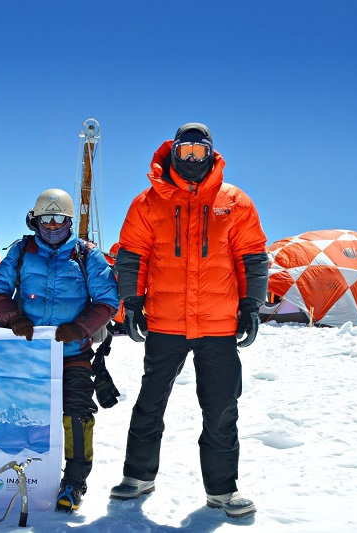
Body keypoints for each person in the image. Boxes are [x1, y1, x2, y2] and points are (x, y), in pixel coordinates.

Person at [109, 123, 268, 519]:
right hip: (165, 321)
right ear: (174, 152)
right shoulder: (148, 202)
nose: (193, 159)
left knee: (221, 408)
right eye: (186, 151)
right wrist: (132, 303)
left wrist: (251, 305)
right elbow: (132, 256)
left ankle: (222, 491)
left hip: (218, 325)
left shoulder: (235, 201)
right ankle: (137, 477)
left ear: (211, 154)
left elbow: (252, 257)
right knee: (150, 402)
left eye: (200, 152)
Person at [0, 188, 119, 512]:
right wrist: (13, 317)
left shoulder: (86, 255)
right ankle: (15, 476)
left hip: (72, 353)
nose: (52, 225)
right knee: (17, 414)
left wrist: (81, 328)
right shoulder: (21, 251)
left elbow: (107, 300)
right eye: (46, 218)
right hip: (29, 353)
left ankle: (74, 481)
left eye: (59, 218)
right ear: (35, 219)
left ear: (69, 220)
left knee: (77, 414)